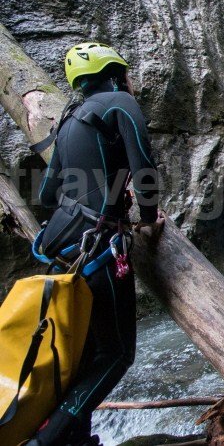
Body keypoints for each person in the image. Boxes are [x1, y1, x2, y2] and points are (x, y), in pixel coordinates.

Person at [30, 42, 164, 446]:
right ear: (115, 73)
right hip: (99, 245)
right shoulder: (120, 102)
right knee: (117, 354)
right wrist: (149, 219)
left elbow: (49, 193)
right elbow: (143, 165)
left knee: (82, 355)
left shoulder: (71, 116)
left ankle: (76, 439)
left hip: (63, 243)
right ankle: (47, 439)